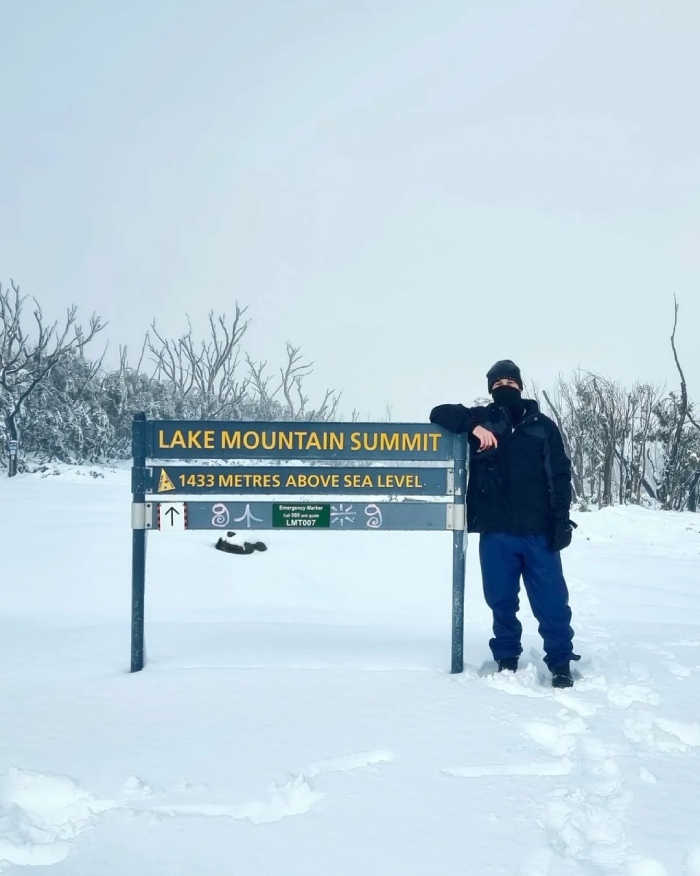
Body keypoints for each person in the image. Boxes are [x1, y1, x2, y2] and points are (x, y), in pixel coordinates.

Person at [429, 359, 579, 688]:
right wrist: (473, 427)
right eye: (497, 382)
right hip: (496, 532)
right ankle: (507, 656)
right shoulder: (482, 419)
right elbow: (439, 413)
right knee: (500, 599)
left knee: (552, 601)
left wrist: (561, 521)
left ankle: (561, 662)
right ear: (491, 389)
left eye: (510, 380)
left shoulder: (543, 426)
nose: (504, 385)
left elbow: (560, 475)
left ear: (520, 386)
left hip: (539, 532)